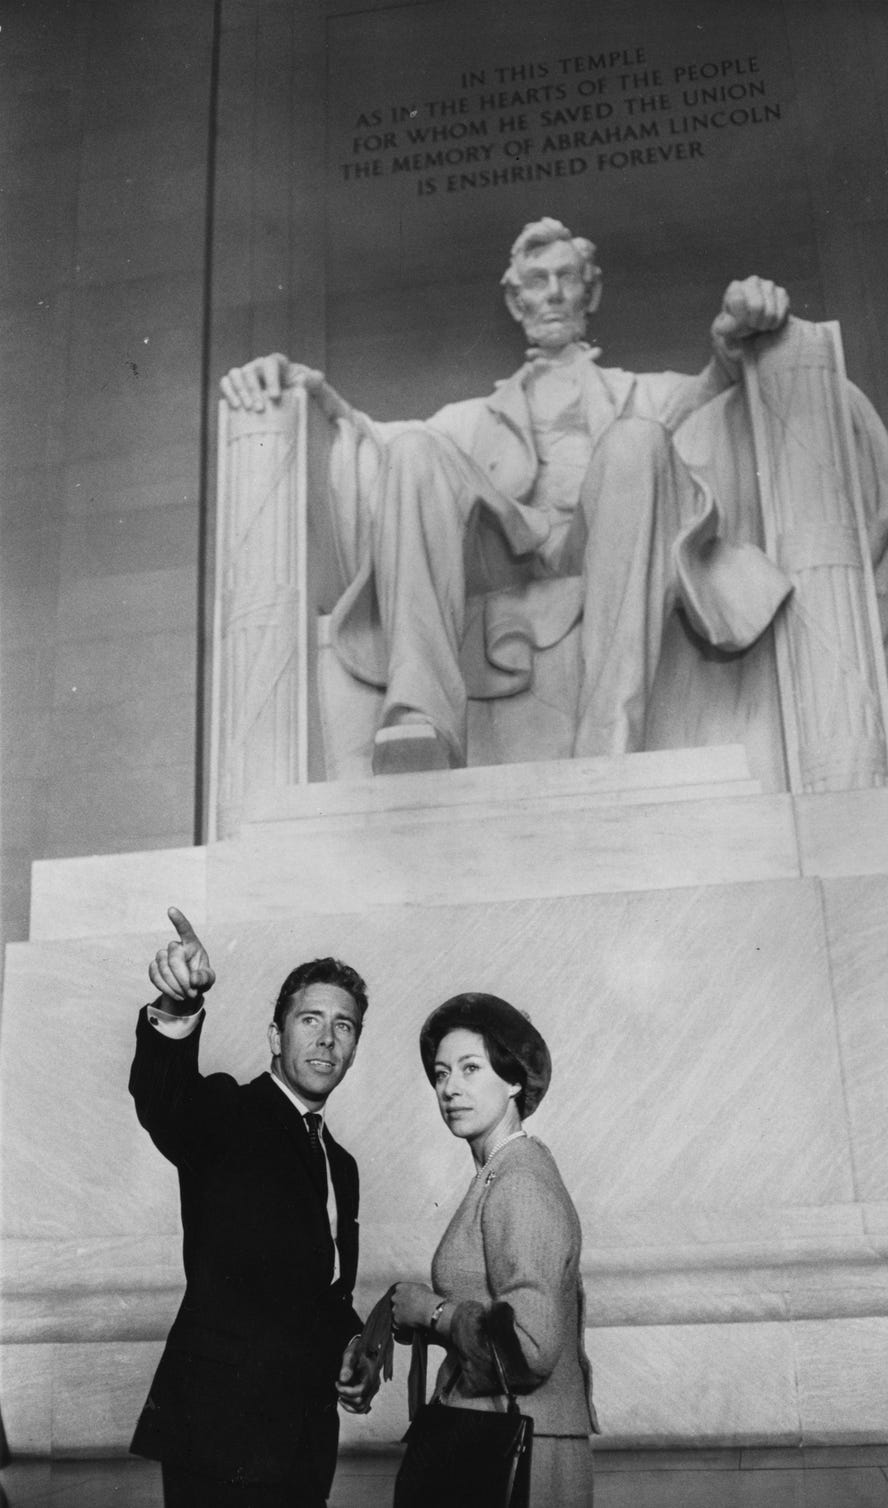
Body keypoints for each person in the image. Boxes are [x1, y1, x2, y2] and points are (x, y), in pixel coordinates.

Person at [220, 219, 792, 774]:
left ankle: (610, 735)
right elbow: (371, 446)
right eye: (536, 282)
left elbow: (710, 401)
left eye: (566, 278)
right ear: (517, 303)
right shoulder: (470, 419)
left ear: (590, 294)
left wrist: (734, 337)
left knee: (639, 440)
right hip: (508, 555)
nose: (552, 293)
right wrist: (311, 393)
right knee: (417, 449)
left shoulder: (642, 393)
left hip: (611, 540)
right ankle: (421, 718)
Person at [128, 906, 377, 1507]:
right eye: (309, 1019)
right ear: (275, 1036)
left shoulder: (339, 1163)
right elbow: (164, 1099)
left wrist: (356, 1352)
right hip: (219, 1436)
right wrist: (180, 1006)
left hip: (305, 1441)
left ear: (353, 1047)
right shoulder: (226, 1112)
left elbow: (320, 1289)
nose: (325, 1037)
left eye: (343, 1026)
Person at [386, 992, 597, 1507]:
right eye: (440, 1074)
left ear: (515, 1078)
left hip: (520, 1453)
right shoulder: (500, 1174)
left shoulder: (518, 1181)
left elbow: (528, 1346)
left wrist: (432, 1311)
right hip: (500, 1440)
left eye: (470, 1068)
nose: (450, 1088)